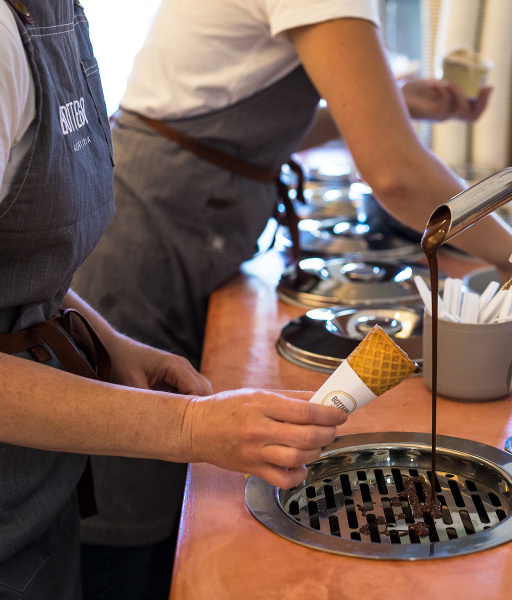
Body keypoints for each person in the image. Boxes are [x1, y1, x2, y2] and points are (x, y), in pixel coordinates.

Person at [69, 2, 512, 598]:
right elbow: (396, 172)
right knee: (129, 521)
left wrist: (388, 103)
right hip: (144, 246)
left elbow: (245, 133)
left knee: (161, 507)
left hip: (183, 228)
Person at [0, 2, 351, 599]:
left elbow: (19, 270)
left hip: (37, 491)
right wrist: (189, 426)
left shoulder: (56, 16)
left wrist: (112, 341)